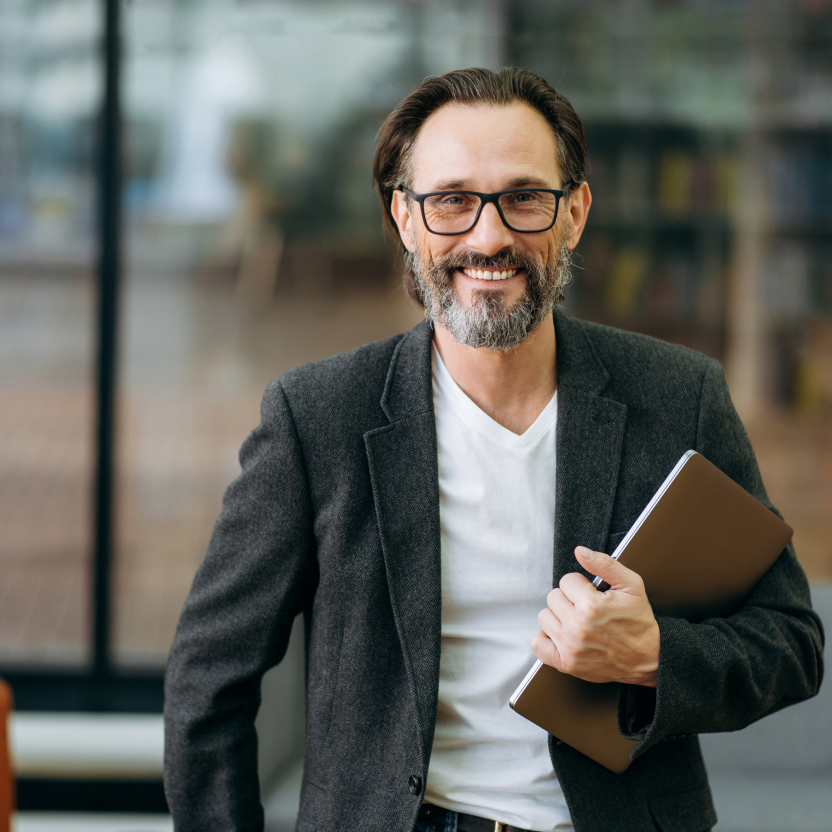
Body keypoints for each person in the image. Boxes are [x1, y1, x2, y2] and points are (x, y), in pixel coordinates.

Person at [163, 67, 824, 832]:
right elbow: (207, 682)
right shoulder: (318, 420)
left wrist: (654, 655)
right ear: (404, 218)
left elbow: (791, 643)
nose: (489, 236)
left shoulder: (680, 398)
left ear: (574, 211)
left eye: (523, 197)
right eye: (451, 200)